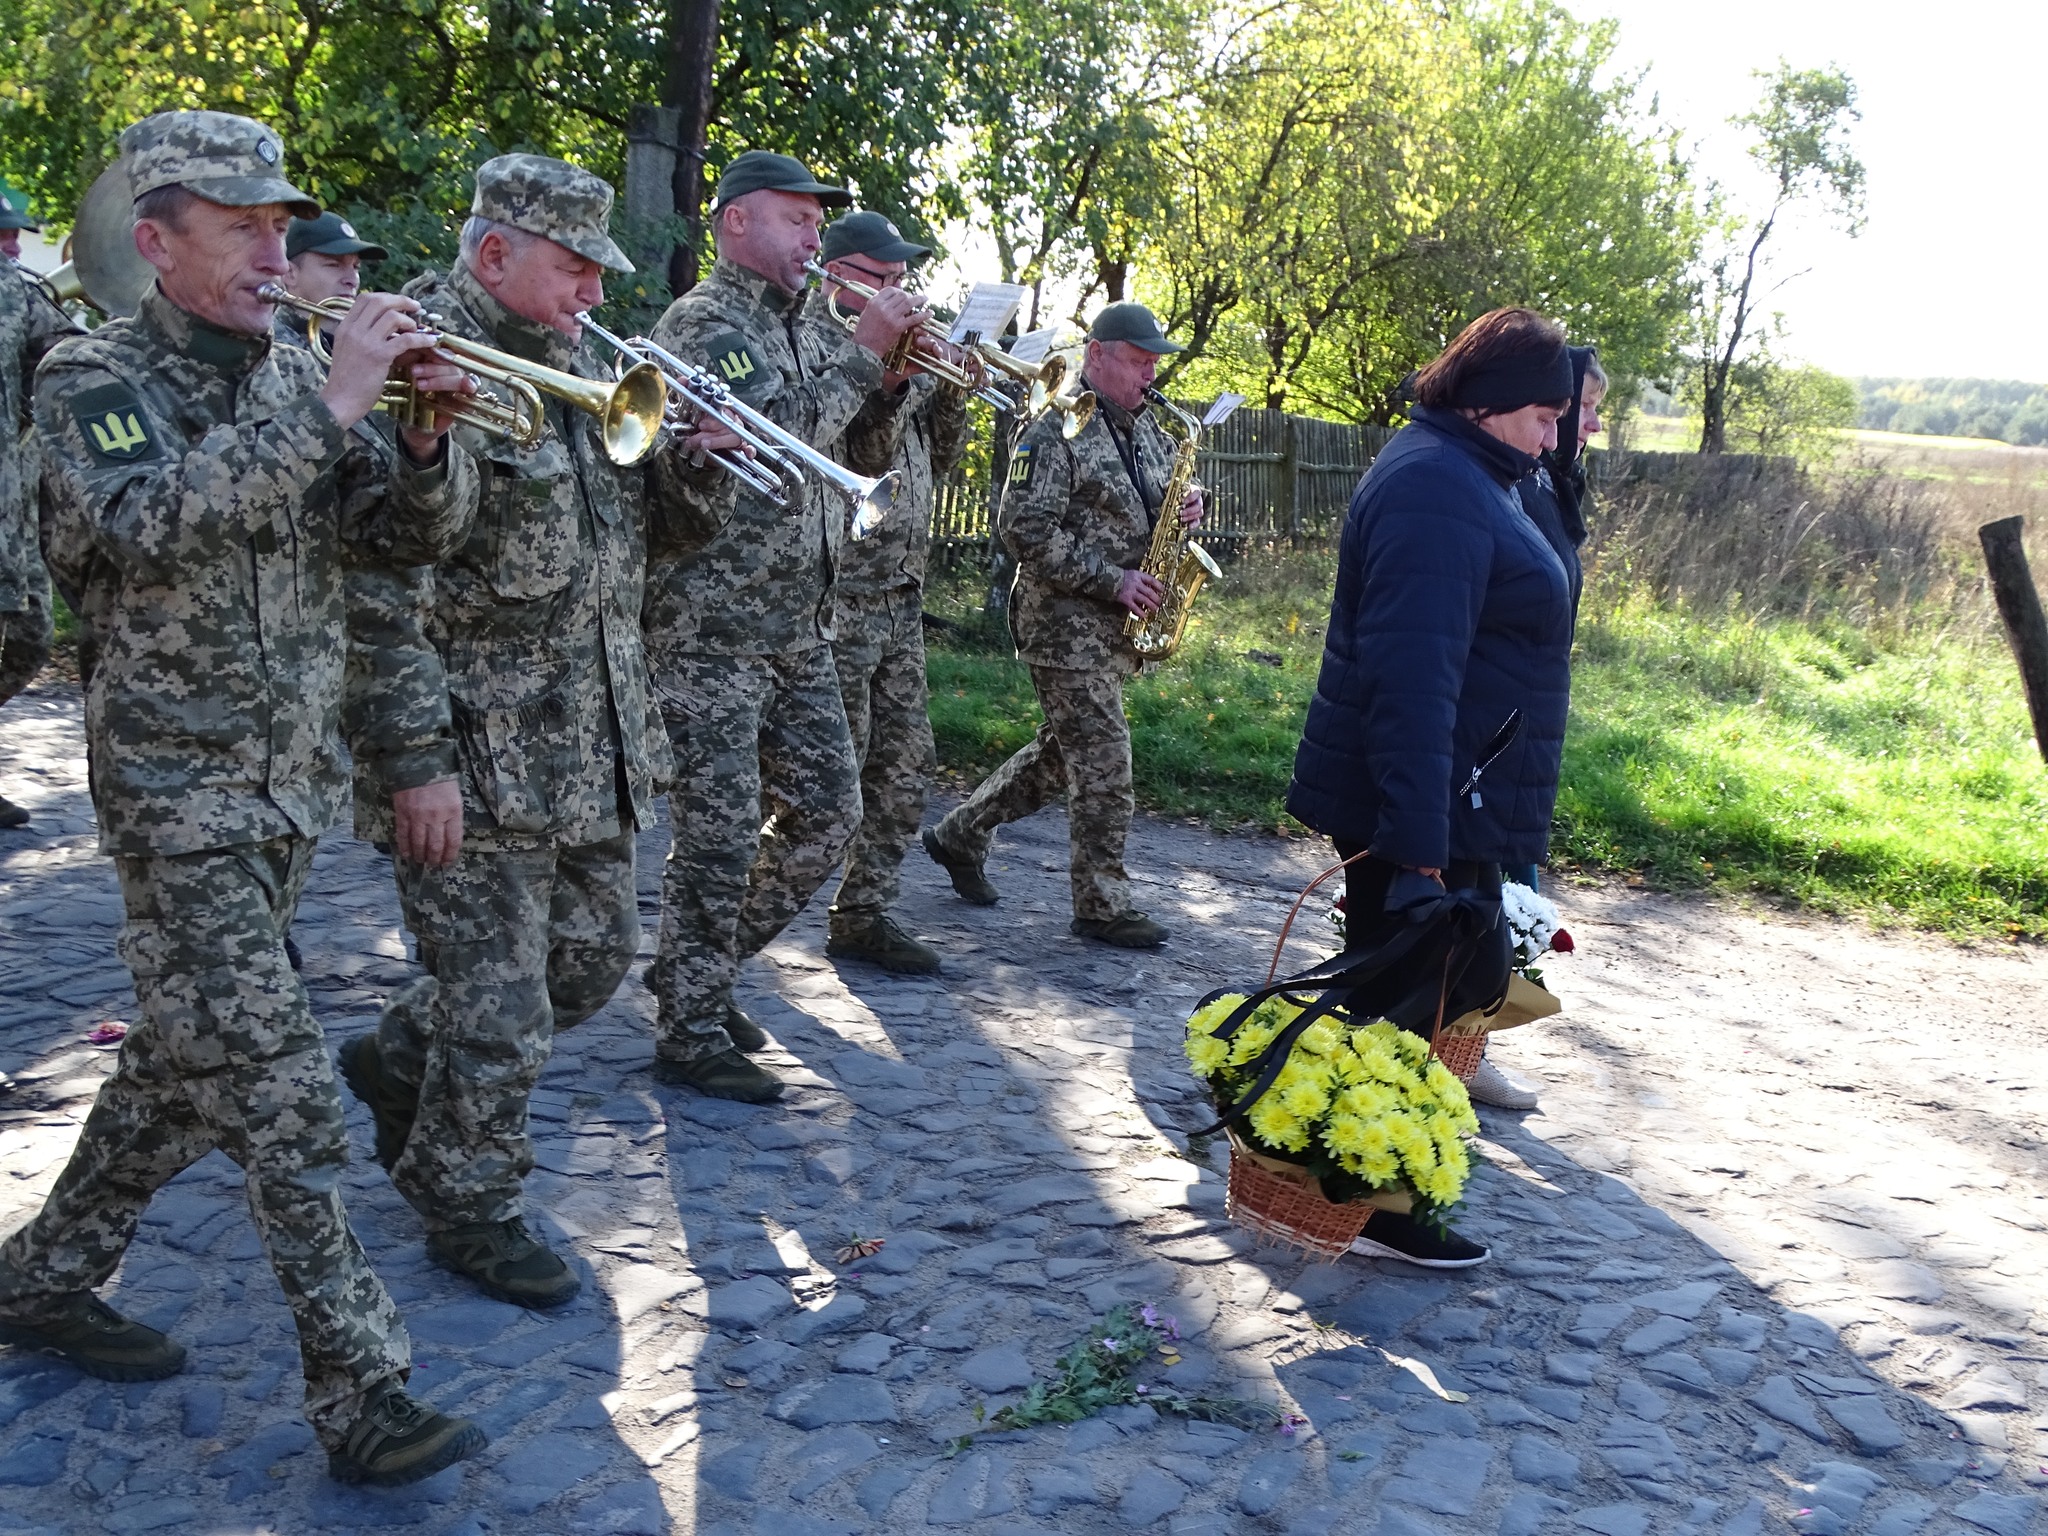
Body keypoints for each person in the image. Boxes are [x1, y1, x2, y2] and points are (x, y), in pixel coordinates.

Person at [0, 109, 484, 1484]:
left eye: (283, 223)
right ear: (157, 241)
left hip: (288, 793)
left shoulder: (289, 371)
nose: (278, 247)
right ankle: (364, 1392)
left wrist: (428, 449)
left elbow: (392, 552)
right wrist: (331, 405)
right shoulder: (88, 373)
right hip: (174, 795)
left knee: (176, 1062)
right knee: (283, 1092)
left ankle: (37, 1276)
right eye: (244, 226)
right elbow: (146, 523)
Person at [337, 154, 737, 1303]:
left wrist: (696, 468)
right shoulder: (417, 366)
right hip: (471, 755)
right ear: (495, 253)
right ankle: (465, 1201)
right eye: (575, 269)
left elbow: (641, 551)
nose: (596, 296)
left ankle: (393, 1057)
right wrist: (414, 763)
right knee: (502, 1008)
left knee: (588, 965)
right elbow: (377, 591)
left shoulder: (577, 366)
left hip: (589, 744)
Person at [1287, 305, 1576, 1268]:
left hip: (1459, 796)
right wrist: (1415, 849)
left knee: (1419, 1008)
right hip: (1422, 803)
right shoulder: (1436, 489)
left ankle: (1366, 1195)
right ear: (1493, 405)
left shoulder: (1477, 475)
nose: (1554, 436)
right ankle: (1365, 1208)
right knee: (1398, 1012)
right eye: (1545, 417)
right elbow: (1412, 681)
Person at [642, 150, 925, 1102]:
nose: (814, 236)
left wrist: (883, 384)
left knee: (828, 818)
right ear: (732, 224)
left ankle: (697, 971)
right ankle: (687, 1026)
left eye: (817, 221)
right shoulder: (703, 322)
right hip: (709, 629)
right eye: (795, 219)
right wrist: (861, 357)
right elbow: (773, 431)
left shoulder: (810, 321)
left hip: (802, 620)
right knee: (719, 836)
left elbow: (849, 449)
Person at [924, 301, 1202, 949]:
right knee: (1104, 756)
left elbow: (1158, 505)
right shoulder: (1054, 429)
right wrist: (1115, 580)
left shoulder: (1149, 429)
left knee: (1061, 757)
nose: (1150, 373)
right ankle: (1102, 903)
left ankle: (960, 834)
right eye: (1138, 360)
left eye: (1155, 361)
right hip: (1062, 622)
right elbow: (1022, 530)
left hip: (1116, 627)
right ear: (1097, 355)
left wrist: (1190, 506)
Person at [805, 210, 969, 974]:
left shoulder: (896, 352)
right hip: (837, 597)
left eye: (903, 280)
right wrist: (882, 378)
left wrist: (945, 388)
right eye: (883, 278)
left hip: (899, 594)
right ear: (839, 275)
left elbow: (939, 463)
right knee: (823, 786)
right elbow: (844, 460)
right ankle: (721, 936)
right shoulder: (816, 347)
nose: (900, 293)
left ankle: (862, 913)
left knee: (906, 770)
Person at [1476, 348, 1606, 1112]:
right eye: (1573, 411)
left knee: (1508, 884)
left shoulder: (1551, 483)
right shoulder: (1515, 486)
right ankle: (1460, 1045)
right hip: (1497, 722)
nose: (1587, 426)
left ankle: (1466, 1042)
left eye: (1586, 412)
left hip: (1525, 715)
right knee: (1491, 888)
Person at [0, 193, 77, 828]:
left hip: (12, 523)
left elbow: (70, 372)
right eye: (1, 234)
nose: (13, 246)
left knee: (27, 642)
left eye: (15, 233)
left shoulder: (18, 294)